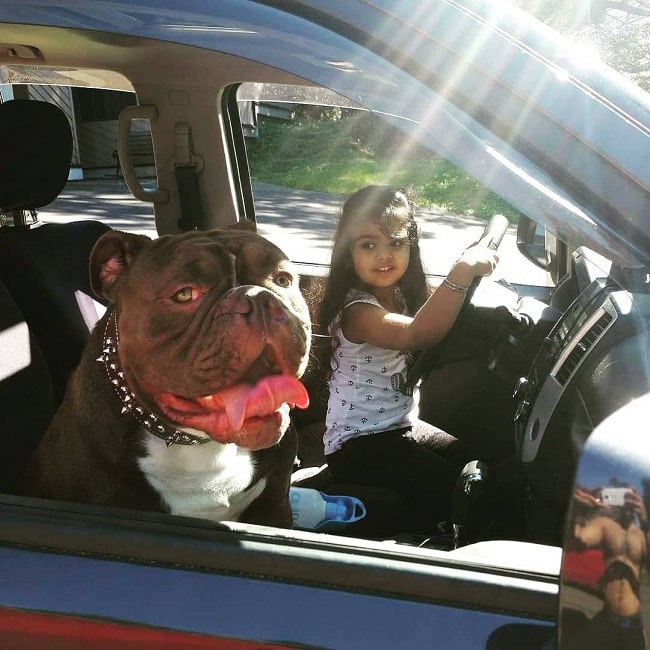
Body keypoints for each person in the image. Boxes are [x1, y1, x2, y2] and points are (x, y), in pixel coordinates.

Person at [317, 185, 498, 531]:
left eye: (396, 243)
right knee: (459, 490)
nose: (384, 256)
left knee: (477, 464)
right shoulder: (357, 311)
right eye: (368, 245)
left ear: (410, 246)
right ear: (348, 253)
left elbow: (436, 322)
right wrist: (461, 272)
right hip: (358, 445)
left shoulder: (398, 296)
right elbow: (417, 333)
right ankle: (440, 540)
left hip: (398, 426)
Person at [564, 485, 649, 650]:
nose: (627, 500)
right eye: (624, 495)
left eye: (631, 496)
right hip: (606, 619)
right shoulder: (605, 525)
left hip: (634, 625)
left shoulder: (641, 535)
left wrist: (645, 519)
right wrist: (577, 511)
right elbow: (578, 539)